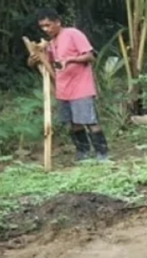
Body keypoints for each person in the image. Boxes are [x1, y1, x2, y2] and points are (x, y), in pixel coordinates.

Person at [31, 8, 109, 162]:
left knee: (89, 120)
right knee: (73, 122)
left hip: (81, 87)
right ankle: (83, 151)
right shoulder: (51, 43)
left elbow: (90, 56)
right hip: (63, 89)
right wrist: (34, 58)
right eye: (42, 27)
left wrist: (71, 59)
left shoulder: (73, 34)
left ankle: (102, 152)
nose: (46, 29)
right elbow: (46, 62)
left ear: (57, 22)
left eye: (48, 25)